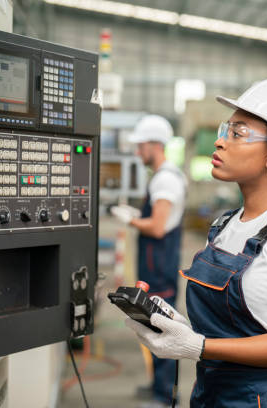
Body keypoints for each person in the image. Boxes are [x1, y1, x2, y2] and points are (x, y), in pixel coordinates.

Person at [125, 75, 267, 408]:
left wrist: (200, 347)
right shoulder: (225, 224)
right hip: (212, 393)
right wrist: (178, 329)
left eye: (237, 134)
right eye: (226, 130)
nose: (220, 142)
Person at [110, 114, 187, 407]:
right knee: (153, 324)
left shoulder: (166, 179)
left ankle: (165, 396)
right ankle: (159, 387)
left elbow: (157, 225)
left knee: (161, 327)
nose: (137, 152)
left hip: (160, 266)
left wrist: (131, 220)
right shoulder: (167, 176)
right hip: (158, 264)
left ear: (155, 145)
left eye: (141, 146)